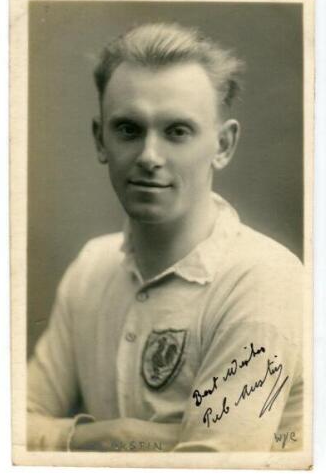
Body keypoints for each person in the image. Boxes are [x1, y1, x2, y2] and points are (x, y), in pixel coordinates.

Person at [27, 23, 303, 452]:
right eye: (128, 130)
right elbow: (11, 424)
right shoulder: (91, 267)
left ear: (224, 145)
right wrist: (104, 436)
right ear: (100, 139)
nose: (149, 157)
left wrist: (62, 443)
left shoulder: (263, 279)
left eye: (177, 131)